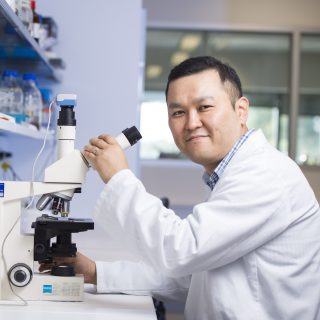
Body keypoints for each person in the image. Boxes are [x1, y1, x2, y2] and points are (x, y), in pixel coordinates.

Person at [41, 56, 320, 319]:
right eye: (178, 112)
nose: (191, 123)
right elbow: (194, 275)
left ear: (241, 110)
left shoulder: (265, 175)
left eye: (205, 107)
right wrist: (95, 272)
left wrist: (118, 177)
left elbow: (181, 251)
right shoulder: (230, 173)